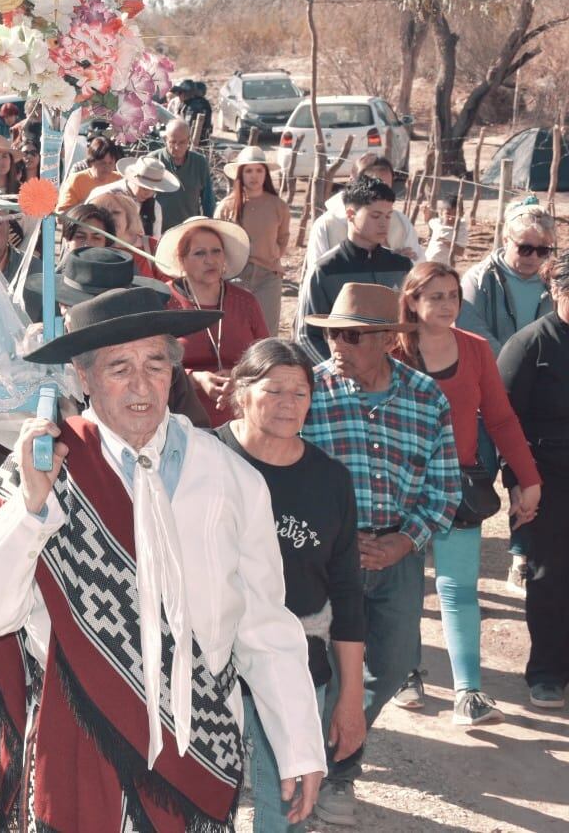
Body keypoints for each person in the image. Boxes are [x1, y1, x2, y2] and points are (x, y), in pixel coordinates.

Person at [0, 288, 325, 833]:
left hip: (194, 744)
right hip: (77, 742)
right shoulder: (42, 466)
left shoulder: (231, 478)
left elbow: (266, 625)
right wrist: (31, 507)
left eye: (154, 364)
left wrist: (298, 746)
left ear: (175, 372)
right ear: (83, 378)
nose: (140, 385)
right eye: (118, 367)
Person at [299, 283, 459, 824]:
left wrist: (403, 542)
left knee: (389, 667)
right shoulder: (307, 392)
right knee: (314, 670)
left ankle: (325, 752)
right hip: (322, 557)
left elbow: (445, 488)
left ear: (390, 338)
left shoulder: (426, 396)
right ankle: (332, 775)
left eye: (351, 335)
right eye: (331, 335)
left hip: (399, 554)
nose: (336, 346)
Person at [217, 340, 367, 833]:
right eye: (273, 389)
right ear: (242, 392)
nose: (287, 403)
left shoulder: (330, 480)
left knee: (284, 803)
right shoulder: (203, 460)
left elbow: (346, 593)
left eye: (299, 393)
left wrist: (348, 699)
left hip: (296, 664)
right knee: (197, 794)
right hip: (205, 659)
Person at [388, 262, 542, 725]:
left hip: (460, 483)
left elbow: (500, 418)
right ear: (412, 300)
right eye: (434, 296)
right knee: (405, 588)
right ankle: (404, 672)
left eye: (453, 295)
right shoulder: (391, 349)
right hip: (400, 486)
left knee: (458, 590)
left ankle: (468, 693)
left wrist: (527, 477)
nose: (447, 304)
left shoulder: (475, 350)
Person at [499, 252, 569, 709]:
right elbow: (504, 423)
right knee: (551, 577)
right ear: (558, 291)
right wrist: (519, 483)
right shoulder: (530, 346)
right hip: (547, 478)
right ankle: (547, 672)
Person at [158, 217, 269, 427]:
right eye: (199, 253)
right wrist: (195, 379)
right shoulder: (164, 301)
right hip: (181, 420)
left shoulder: (245, 301)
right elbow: (153, 363)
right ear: (181, 260)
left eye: (216, 251)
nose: (210, 260)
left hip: (242, 417)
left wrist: (238, 376)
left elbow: (266, 358)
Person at [294, 177, 413, 363]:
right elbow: (306, 336)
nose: (384, 223)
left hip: (395, 377)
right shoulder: (325, 269)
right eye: (375, 216)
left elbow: (413, 326)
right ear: (350, 214)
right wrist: (339, 372)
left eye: (388, 216)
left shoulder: (402, 266)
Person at [215, 146, 289, 335]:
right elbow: (217, 242)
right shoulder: (226, 207)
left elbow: (283, 237)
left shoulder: (278, 206)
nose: (254, 176)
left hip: (268, 277)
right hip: (235, 276)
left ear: (266, 174)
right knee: (236, 332)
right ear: (240, 174)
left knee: (267, 333)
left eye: (259, 170)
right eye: (248, 170)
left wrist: (274, 257)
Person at [459, 201, 554, 349]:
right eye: (525, 249)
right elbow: (471, 330)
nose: (534, 257)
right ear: (505, 240)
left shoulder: (558, 281)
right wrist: (511, 364)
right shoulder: (478, 280)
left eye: (543, 251)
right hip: (494, 369)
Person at [302, 159, 420, 272]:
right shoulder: (326, 226)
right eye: (374, 187)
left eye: (387, 188)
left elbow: (419, 269)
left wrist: (402, 263)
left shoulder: (401, 223)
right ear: (354, 182)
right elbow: (318, 274)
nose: (383, 194)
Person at [89, 157, 182, 251]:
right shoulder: (103, 195)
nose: (149, 194)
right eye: (144, 188)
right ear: (133, 179)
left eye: (154, 190)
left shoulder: (154, 207)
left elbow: (155, 242)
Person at [147, 119, 215, 230]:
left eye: (182, 142)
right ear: (165, 140)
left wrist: (209, 227)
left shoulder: (199, 163)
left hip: (189, 229)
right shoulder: (153, 161)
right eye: (173, 142)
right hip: (157, 229)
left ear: (189, 140)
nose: (177, 147)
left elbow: (208, 201)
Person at [56, 136, 122, 212]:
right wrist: (90, 203)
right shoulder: (76, 180)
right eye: (102, 163)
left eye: (110, 163)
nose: (107, 168)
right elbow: (60, 216)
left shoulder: (119, 180)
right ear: (91, 162)